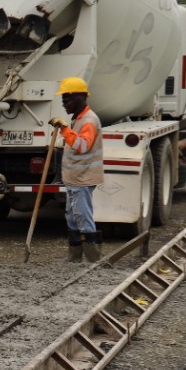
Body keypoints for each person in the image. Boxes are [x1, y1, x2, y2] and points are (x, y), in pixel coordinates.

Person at [48, 77, 104, 262]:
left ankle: (93, 258)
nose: (63, 104)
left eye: (66, 100)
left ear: (78, 98)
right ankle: (74, 258)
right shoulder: (78, 119)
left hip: (83, 178)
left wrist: (65, 129)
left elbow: (82, 145)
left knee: (82, 217)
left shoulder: (89, 121)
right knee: (72, 217)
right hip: (75, 178)